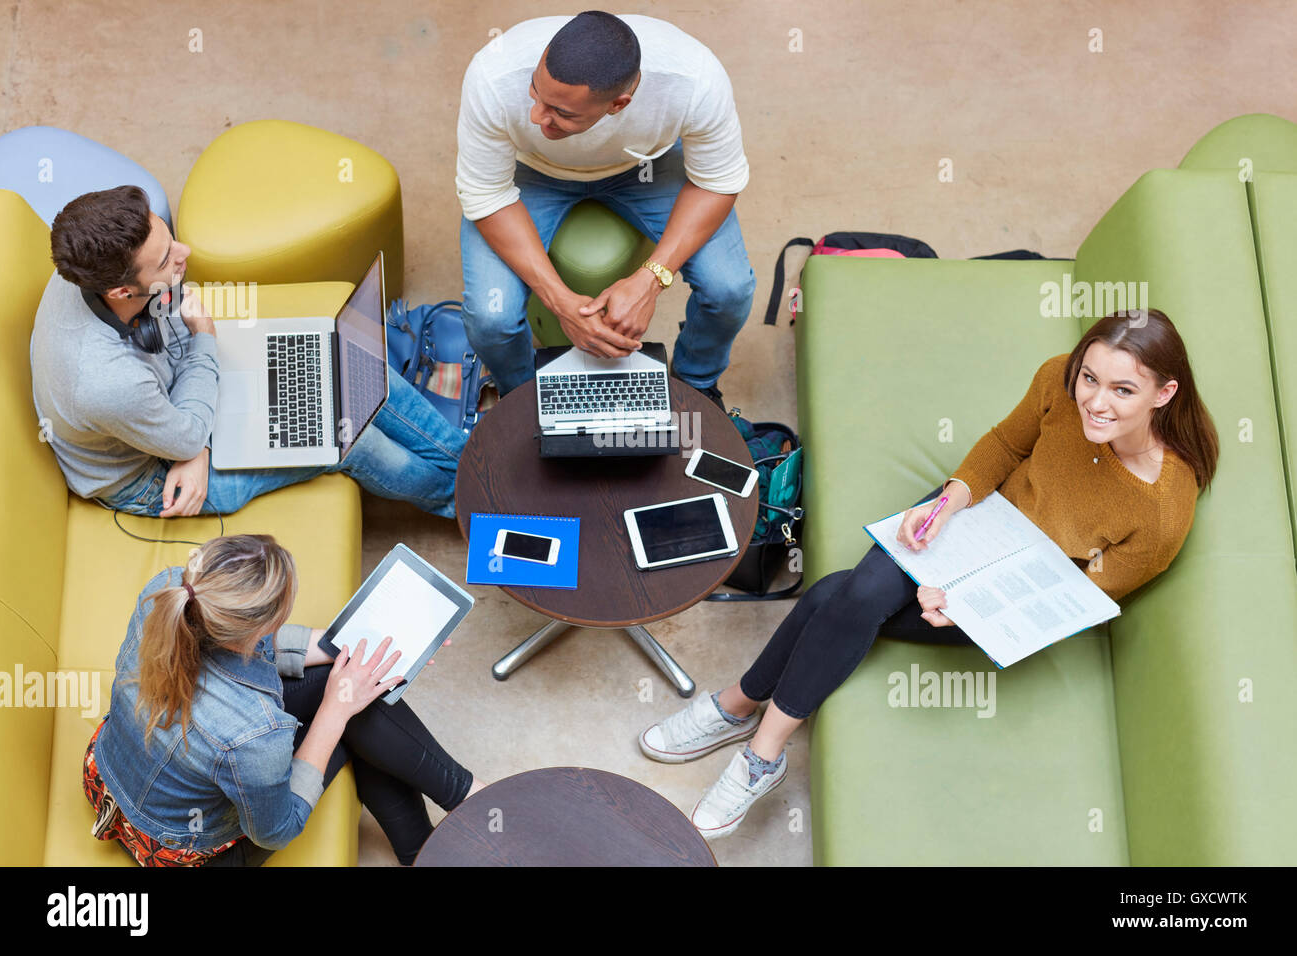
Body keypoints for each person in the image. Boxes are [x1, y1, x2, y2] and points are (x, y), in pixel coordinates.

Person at [638, 310, 1220, 840]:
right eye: (1089, 378)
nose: (1095, 401)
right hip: (973, 518)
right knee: (856, 592)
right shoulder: (1057, 381)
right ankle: (758, 742)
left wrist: (967, 604)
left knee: (834, 595)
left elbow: (1079, 597)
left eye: (1123, 390)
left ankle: (742, 718)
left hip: (1011, 590)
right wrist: (948, 502)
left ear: (1164, 393)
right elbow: (1003, 447)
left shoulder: (1164, 507)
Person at [31, 185, 466, 519]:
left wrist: (193, 441)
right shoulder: (104, 380)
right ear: (122, 290)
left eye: (171, 239)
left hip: (171, 414)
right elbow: (182, 433)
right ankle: (467, 504)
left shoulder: (92, 262)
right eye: (166, 260)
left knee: (355, 366)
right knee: (353, 439)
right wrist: (203, 338)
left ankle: (473, 466)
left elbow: (172, 316)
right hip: (154, 475)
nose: (185, 255)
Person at [83, 533, 482, 866]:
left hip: (107, 775)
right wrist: (334, 711)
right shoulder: (254, 735)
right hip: (176, 848)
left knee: (351, 687)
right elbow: (277, 829)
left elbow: (254, 645)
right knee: (348, 718)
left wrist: (368, 645)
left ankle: (453, 812)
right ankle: (438, 833)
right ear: (258, 628)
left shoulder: (171, 592)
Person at [455, 10, 757, 403]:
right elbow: (485, 193)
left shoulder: (695, 79)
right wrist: (560, 302)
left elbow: (717, 183)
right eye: (535, 92)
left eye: (561, 113)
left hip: (647, 166)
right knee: (490, 320)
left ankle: (695, 386)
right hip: (533, 171)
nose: (535, 116)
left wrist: (652, 279)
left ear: (619, 104)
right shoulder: (493, 74)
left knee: (730, 289)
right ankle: (523, 399)